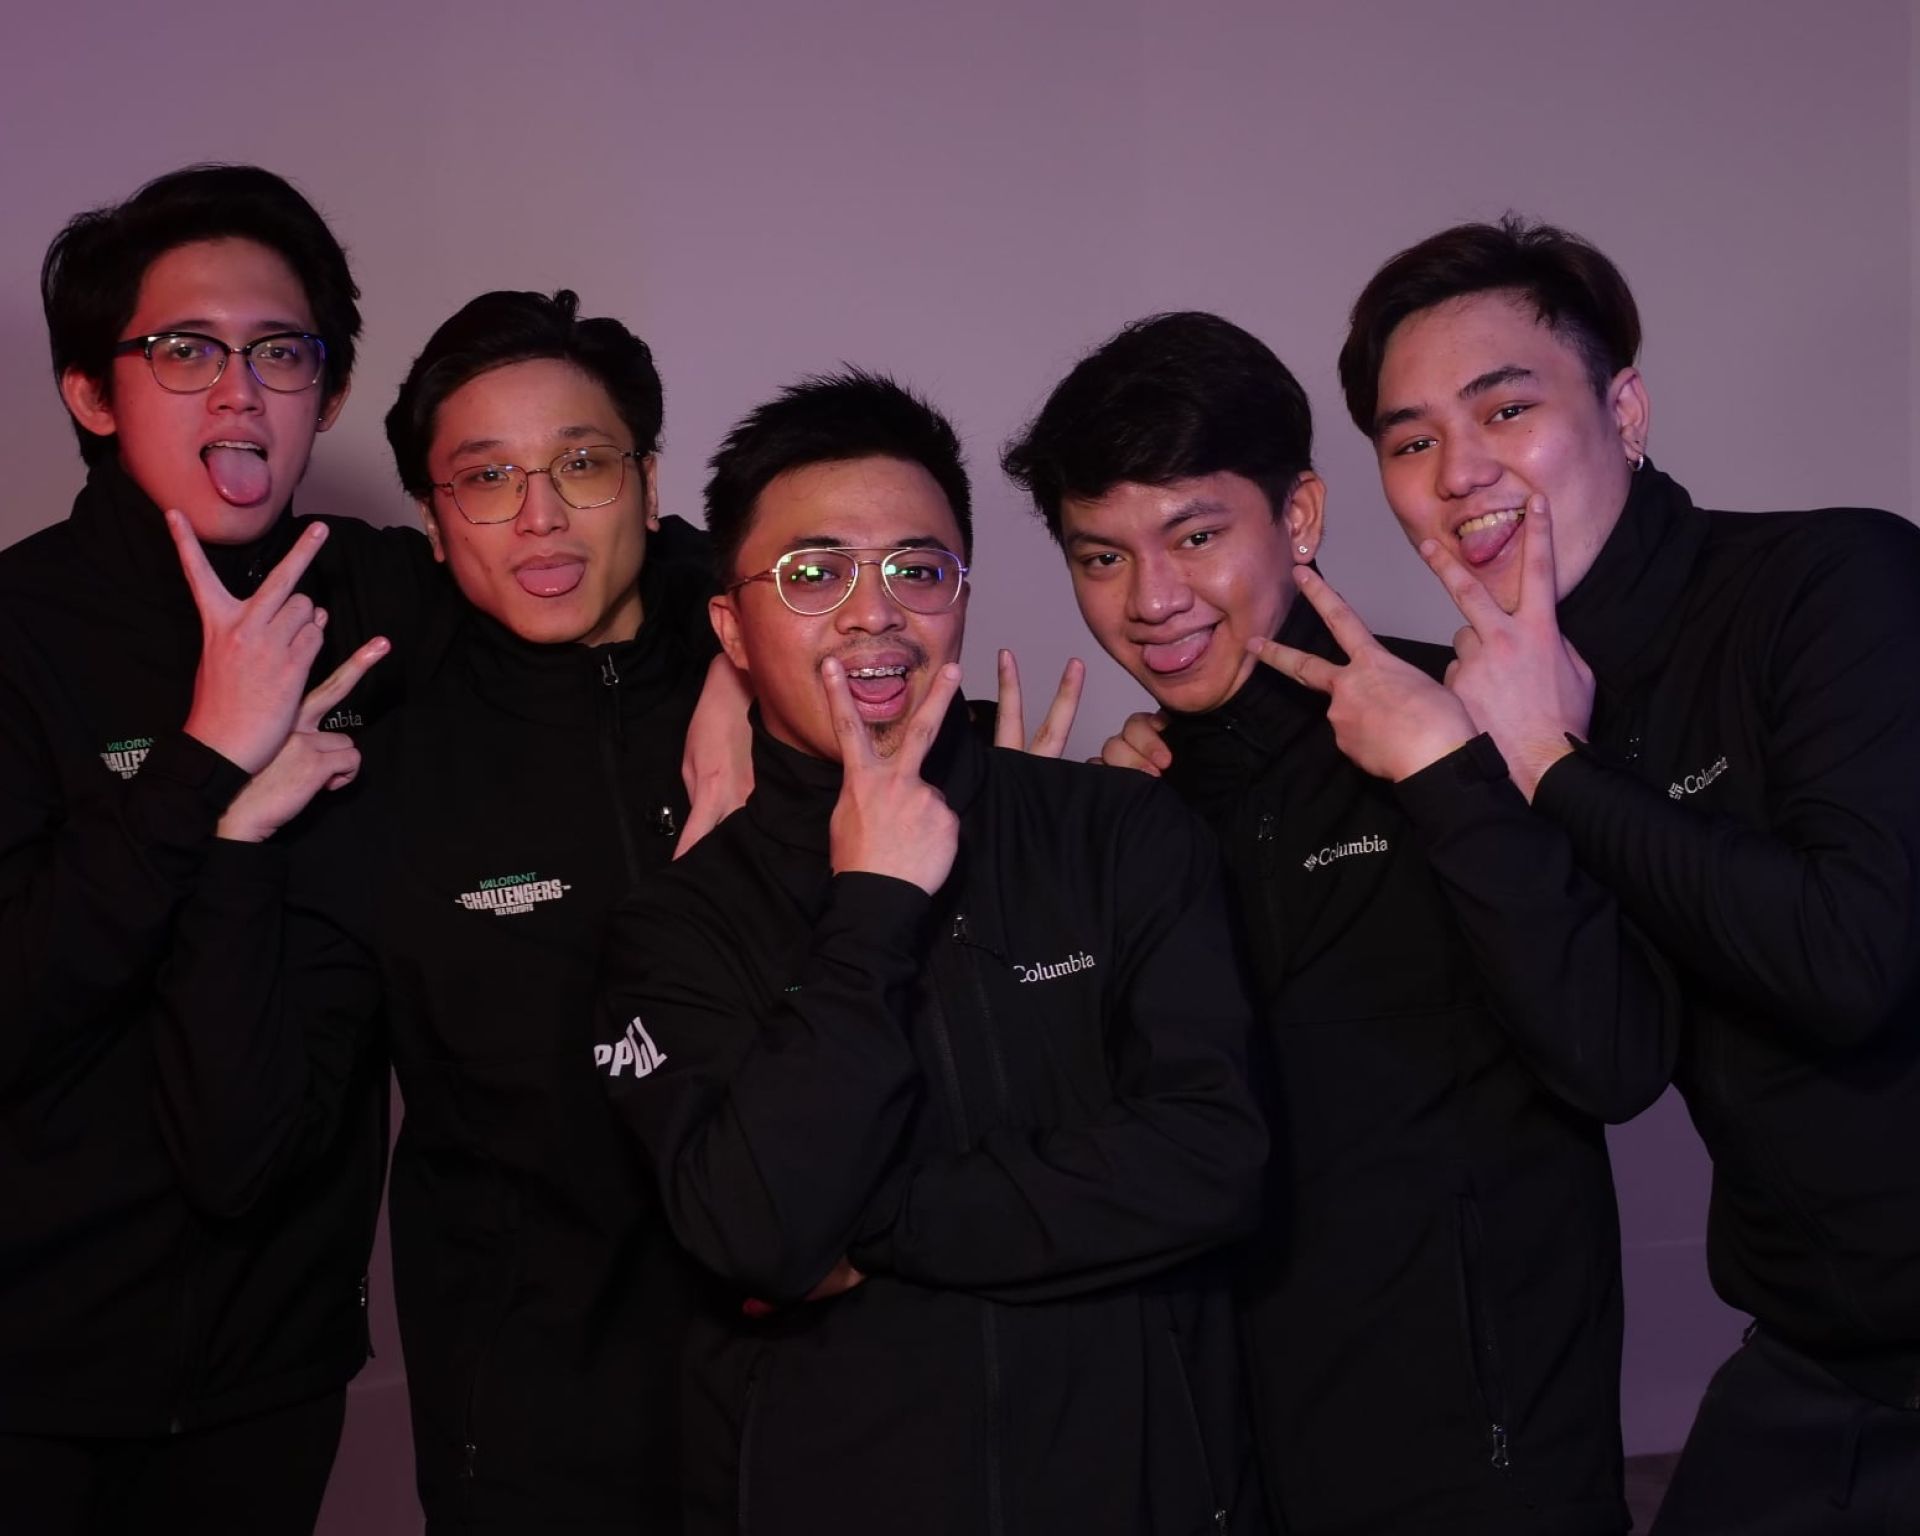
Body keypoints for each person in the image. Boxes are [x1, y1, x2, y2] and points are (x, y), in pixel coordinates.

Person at [1002, 311, 1680, 1535]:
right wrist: (1053, 902)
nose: (1152, 599)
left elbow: (1618, 1057)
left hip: (1488, 1481)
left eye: (1196, 535)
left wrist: (1451, 779)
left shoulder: (1479, 715)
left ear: (1300, 515)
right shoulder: (1132, 810)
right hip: (1233, 1476)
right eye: (1100, 557)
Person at [597, 369, 1268, 1536]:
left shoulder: (1115, 832)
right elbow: (755, 1234)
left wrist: (874, 1224)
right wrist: (873, 903)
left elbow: (1215, 1160)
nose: (876, 614)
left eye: (918, 570)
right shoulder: (677, 926)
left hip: (1141, 1493)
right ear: (731, 627)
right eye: (814, 576)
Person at [1333, 216, 1920, 1534]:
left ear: (1626, 411)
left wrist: (1552, 762)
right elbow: (1609, 1064)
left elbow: (1849, 962)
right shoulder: (1496, 701)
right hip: (1817, 1360)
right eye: (1410, 441)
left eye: (1506, 409)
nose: (1459, 471)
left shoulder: (1837, 579)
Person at [163, 287, 740, 1533]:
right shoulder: (384, 778)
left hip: (822, 1402)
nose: (539, 515)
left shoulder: (780, 704)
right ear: (430, 523)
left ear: (648, 483)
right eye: (484, 479)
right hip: (535, 1441)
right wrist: (236, 850)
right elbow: (244, 1154)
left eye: (582, 463)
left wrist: (737, 660)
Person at [0, 164, 432, 1534]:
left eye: (281, 353)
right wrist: (203, 762)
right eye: (185, 350)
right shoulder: (17, 630)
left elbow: (603, 571)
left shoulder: (377, 597)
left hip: (273, 1376)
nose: (240, 392)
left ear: (327, 391)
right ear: (92, 392)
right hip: (30, 1381)